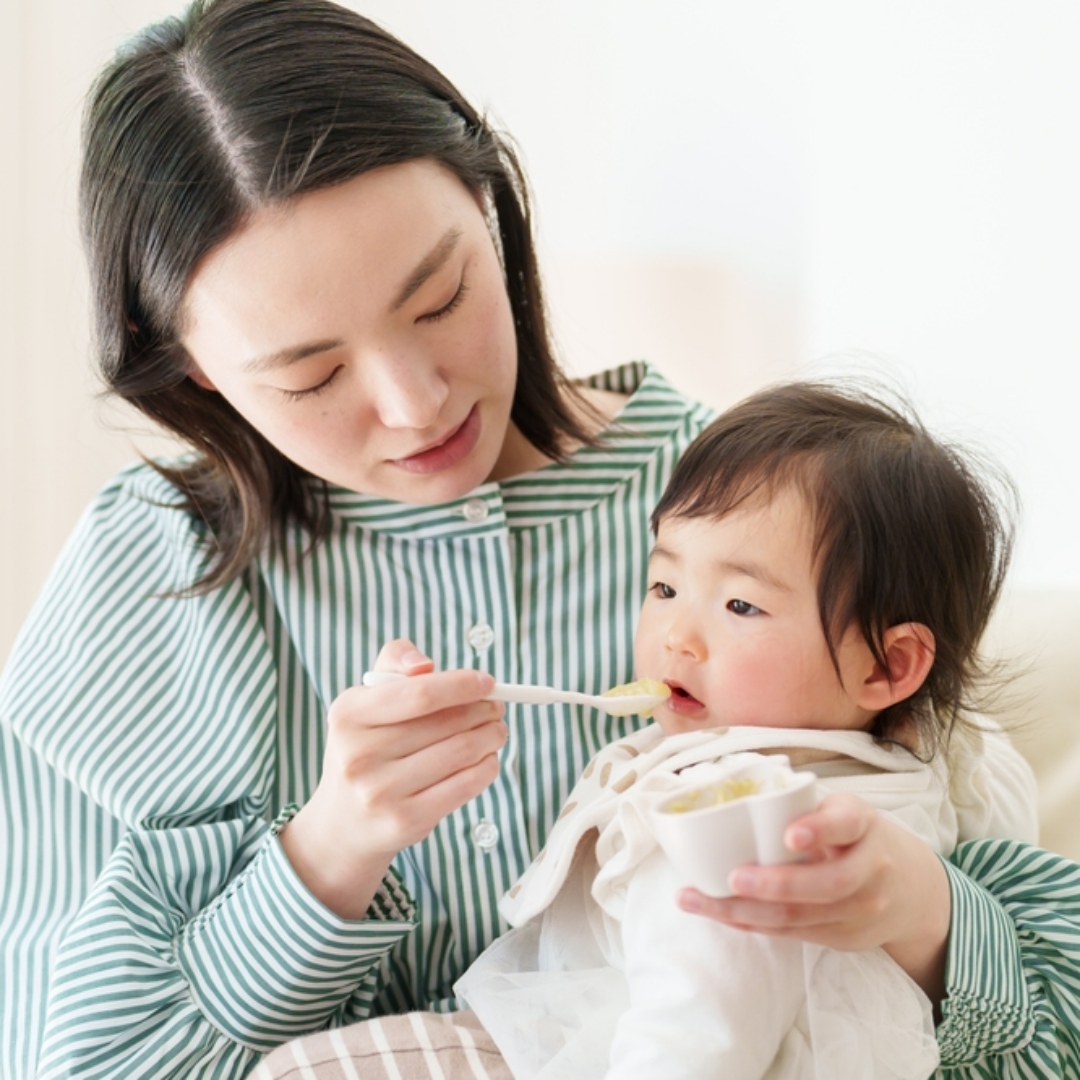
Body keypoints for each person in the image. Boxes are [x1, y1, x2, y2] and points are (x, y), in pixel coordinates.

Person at [1, 0, 1079, 1077]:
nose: (415, 402)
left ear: (493, 209)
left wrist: (923, 919)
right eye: (311, 374)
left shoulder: (771, 529)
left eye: (441, 298)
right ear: (191, 368)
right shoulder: (146, 577)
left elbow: (1043, 1015)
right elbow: (70, 1059)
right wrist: (326, 852)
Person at [451, 382, 1034, 1079]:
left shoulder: (726, 817)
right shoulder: (954, 754)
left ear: (889, 665)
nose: (677, 638)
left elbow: (693, 1040)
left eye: (739, 603)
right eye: (664, 588)